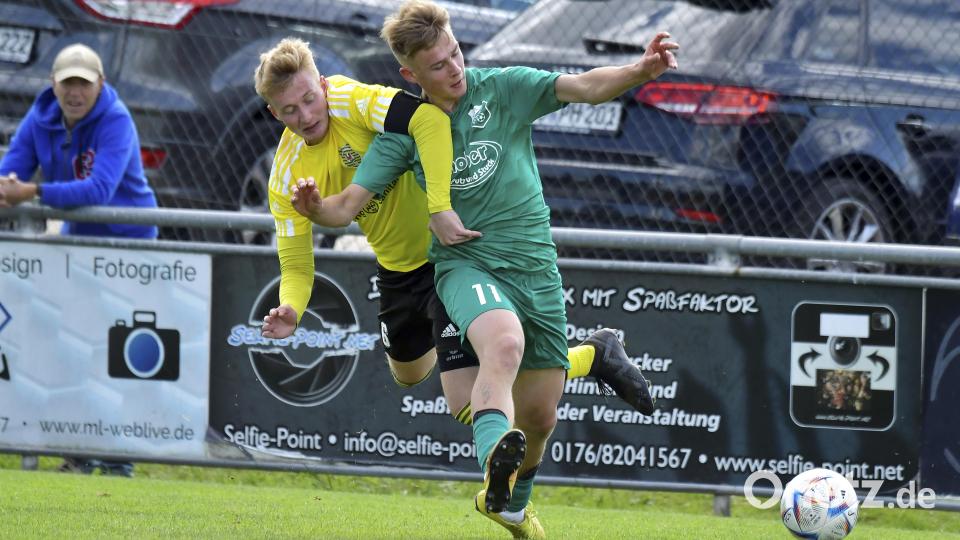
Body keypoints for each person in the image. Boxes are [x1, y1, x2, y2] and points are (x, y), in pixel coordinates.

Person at [290, 1, 678, 536]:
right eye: (439, 65)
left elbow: (585, 86)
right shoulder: (406, 130)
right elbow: (346, 206)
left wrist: (640, 69)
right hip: (465, 265)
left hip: (535, 268)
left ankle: (511, 504)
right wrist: (315, 209)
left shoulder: (503, 88)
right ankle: (495, 456)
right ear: (411, 75)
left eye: (456, 54)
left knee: (539, 416)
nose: (455, 69)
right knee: (503, 345)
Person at [254, 39, 654, 431]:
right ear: (274, 113)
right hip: (397, 271)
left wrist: (439, 208)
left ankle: (501, 440)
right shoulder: (286, 176)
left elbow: (427, 119)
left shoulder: (350, 99)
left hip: (449, 257)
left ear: (323, 85)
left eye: (309, 99)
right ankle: (593, 356)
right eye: (290, 110)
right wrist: (292, 307)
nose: (305, 115)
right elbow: (296, 265)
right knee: (410, 374)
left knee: (474, 394)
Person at [0, 43, 159, 476]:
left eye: (84, 84)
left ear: (100, 84)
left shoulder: (116, 119)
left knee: (115, 355)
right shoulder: (40, 118)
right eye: (67, 83)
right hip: (79, 248)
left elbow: (98, 190)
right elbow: (11, 170)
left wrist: (32, 192)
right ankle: (82, 454)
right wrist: (8, 186)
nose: (75, 92)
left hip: (129, 250)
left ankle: (118, 462)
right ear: (52, 84)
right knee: (72, 348)